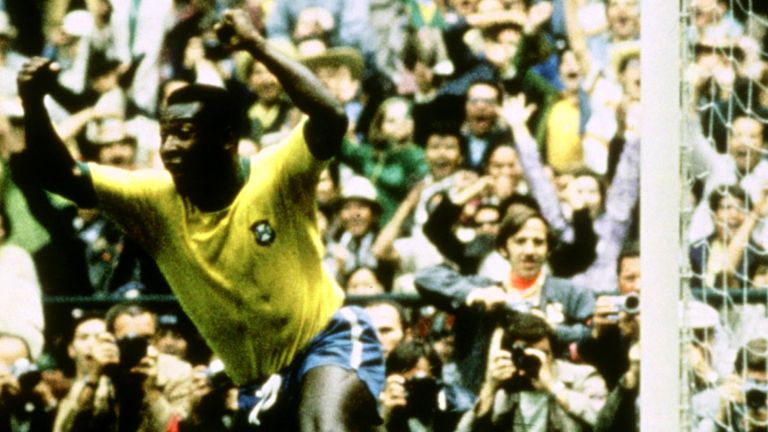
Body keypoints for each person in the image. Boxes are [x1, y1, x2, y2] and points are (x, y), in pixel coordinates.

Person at [16, 8, 383, 431]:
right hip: (259, 381)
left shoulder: (276, 173)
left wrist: (256, 46)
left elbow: (331, 116)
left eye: (184, 133)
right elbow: (58, 174)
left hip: (326, 339)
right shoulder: (152, 199)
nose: (169, 147)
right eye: (164, 134)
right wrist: (33, 101)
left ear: (227, 139)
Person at [415, 204, 595, 395]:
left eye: (538, 242)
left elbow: (592, 334)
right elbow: (424, 277)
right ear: (503, 248)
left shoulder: (572, 293)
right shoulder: (485, 287)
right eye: (520, 241)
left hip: (549, 395)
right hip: (487, 395)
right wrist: (474, 295)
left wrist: (554, 329)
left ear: (549, 248)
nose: (529, 250)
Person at [456, 313, 607, 431]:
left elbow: (607, 422)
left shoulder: (582, 376)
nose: (536, 361)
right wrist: (490, 386)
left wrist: (554, 386)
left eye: (544, 353)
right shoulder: (506, 384)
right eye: (528, 356)